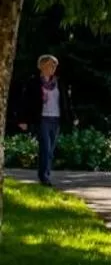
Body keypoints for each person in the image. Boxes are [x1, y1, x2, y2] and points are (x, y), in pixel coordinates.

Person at [35, 55, 61, 185]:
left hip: (55, 118)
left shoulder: (58, 82)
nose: (53, 67)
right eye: (51, 64)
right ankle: (44, 177)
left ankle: (46, 174)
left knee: (50, 151)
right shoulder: (35, 82)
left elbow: (65, 101)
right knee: (45, 147)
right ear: (42, 66)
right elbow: (27, 101)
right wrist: (22, 119)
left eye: (55, 65)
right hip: (43, 118)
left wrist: (72, 116)